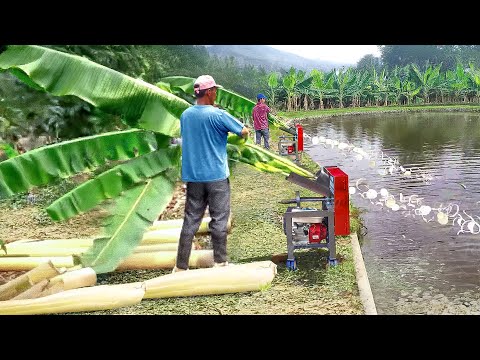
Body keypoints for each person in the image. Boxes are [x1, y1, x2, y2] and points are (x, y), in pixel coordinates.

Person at [172, 75, 250, 273]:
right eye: (215, 90)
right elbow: (244, 131)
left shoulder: (186, 115)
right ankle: (220, 262)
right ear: (209, 92)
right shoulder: (218, 115)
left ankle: (181, 266)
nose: (216, 94)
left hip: (193, 177)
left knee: (190, 220)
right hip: (216, 176)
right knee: (219, 220)